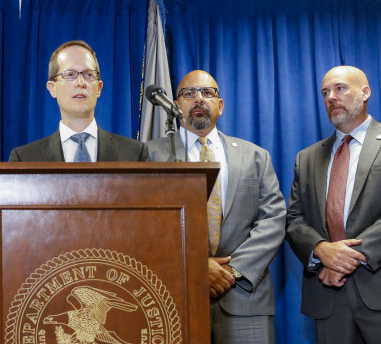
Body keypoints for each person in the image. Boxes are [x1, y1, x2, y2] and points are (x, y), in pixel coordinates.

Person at [146, 70, 286, 343]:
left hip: (246, 298)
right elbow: (146, 226)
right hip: (175, 297)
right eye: (188, 93)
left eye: (207, 93)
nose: (198, 99)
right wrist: (195, 267)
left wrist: (230, 272)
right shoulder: (150, 155)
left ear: (220, 106)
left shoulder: (255, 156)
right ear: (176, 104)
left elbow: (274, 218)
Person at [286, 66, 381, 344]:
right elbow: (294, 219)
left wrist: (344, 258)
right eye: (325, 92)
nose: (331, 97)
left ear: (365, 92)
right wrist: (321, 250)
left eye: (340, 88)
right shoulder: (307, 158)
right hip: (328, 295)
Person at [9, 40, 148, 162]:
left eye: (88, 75)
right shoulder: (25, 158)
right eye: (70, 74)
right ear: (52, 88)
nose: (80, 82)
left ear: (99, 88)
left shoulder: (135, 154)